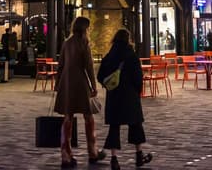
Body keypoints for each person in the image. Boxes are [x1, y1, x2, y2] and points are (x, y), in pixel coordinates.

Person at [96, 29, 154, 169]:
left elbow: (100, 76)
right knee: (135, 125)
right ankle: (139, 155)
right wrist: (137, 90)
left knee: (114, 127)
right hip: (130, 96)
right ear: (128, 39)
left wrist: (108, 85)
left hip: (114, 96)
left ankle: (114, 159)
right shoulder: (131, 55)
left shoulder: (109, 55)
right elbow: (138, 77)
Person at [54, 17, 104, 168]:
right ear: (84, 29)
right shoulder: (84, 43)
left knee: (67, 118)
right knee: (88, 117)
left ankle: (66, 155)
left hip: (66, 83)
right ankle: (93, 151)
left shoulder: (66, 43)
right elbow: (88, 66)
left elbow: (61, 64)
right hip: (81, 84)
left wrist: (57, 84)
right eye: (88, 28)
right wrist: (94, 86)